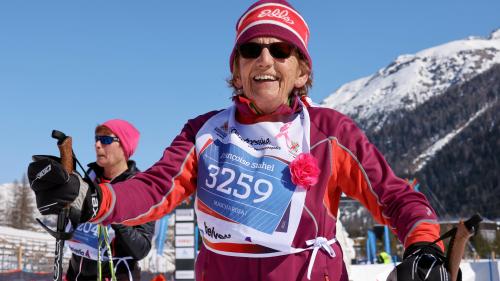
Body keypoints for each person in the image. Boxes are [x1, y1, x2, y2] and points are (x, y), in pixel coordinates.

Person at [28, 1, 450, 280]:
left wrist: (423, 244)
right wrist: (93, 199)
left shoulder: (330, 133)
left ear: (301, 71)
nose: (265, 59)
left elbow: (395, 197)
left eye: (281, 51)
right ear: (238, 68)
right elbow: (156, 189)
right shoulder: (205, 131)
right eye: (252, 49)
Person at [65, 119, 155, 281]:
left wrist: (113, 213)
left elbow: (141, 249)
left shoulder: (141, 189)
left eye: (106, 140)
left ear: (124, 146)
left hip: (118, 275)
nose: (97, 145)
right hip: (78, 275)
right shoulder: (87, 180)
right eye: (96, 139)